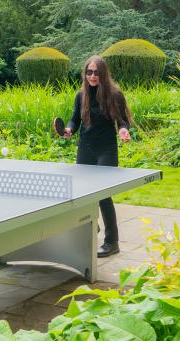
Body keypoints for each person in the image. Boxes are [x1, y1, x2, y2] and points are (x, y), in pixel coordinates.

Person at [62, 55, 133, 257]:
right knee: (82, 194)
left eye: (96, 72)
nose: (92, 76)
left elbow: (123, 121)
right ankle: (91, 224)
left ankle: (112, 242)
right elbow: (74, 120)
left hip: (106, 150)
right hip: (85, 148)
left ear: (103, 73)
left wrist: (123, 131)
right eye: (89, 72)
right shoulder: (80, 96)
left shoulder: (114, 95)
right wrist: (68, 129)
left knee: (103, 195)